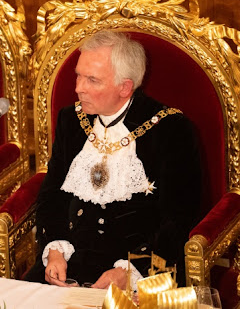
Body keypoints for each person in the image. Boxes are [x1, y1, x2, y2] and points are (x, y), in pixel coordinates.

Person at [26, 30, 201, 290]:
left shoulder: (171, 128)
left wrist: (131, 271)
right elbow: (52, 196)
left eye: (92, 80)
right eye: (78, 75)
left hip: (141, 270)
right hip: (69, 264)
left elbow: (179, 219)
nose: (78, 88)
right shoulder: (71, 120)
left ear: (125, 87)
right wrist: (54, 250)